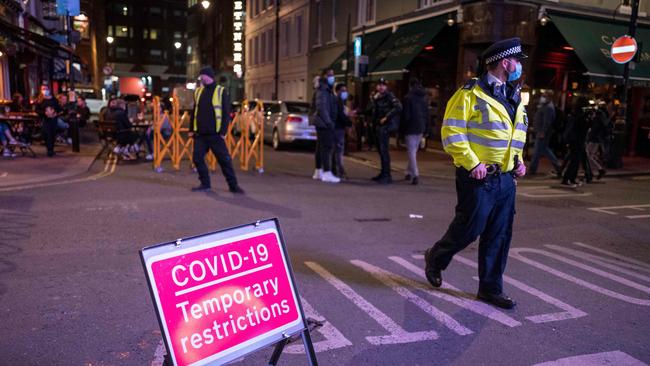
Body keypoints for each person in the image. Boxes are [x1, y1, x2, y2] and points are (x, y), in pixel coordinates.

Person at [423, 38, 529, 309]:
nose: (519, 66)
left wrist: (518, 161)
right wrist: (472, 163)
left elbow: (514, 136)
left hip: (506, 180)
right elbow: (452, 131)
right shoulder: (469, 93)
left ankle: (490, 289)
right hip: (478, 177)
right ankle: (436, 257)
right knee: (469, 229)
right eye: (517, 61)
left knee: (500, 234)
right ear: (505, 62)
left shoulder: (515, 95)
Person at [190, 66, 244, 193]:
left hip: (215, 134)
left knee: (224, 160)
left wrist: (223, 132)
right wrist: (191, 129)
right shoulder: (198, 92)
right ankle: (205, 184)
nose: (201, 78)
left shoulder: (220, 91)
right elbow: (194, 112)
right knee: (197, 159)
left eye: (202, 76)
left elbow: (226, 113)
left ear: (208, 76)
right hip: (200, 134)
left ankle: (233, 186)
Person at [369, 77, 401, 184]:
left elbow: (398, 107)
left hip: (385, 127)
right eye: (379, 85)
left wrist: (386, 117)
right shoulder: (376, 97)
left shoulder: (389, 96)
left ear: (386, 86)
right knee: (381, 151)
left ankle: (387, 175)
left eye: (383, 85)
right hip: (377, 127)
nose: (381, 87)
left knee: (384, 151)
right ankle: (383, 173)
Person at [310, 68, 340, 183]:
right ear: (324, 76)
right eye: (330, 75)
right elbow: (322, 107)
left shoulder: (324, 89)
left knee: (320, 147)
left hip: (322, 122)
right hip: (324, 123)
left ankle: (318, 171)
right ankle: (327, 172)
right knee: (326, 147)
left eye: (333, 74)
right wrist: (329, 122)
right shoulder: (323, 90)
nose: (332, 77)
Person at [401, 77, 428, 185]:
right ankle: (408, 172)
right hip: (421, 126)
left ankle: (415, 174)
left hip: (411, 127)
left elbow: (406, 115)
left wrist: (402, 129)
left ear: (410, 85)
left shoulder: (408, 98)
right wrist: (426, 128)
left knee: (411, 152)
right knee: (413, 151)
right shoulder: (424, 98)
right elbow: (427, 114)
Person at [529, 91, 562, 177]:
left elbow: (547, 122)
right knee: (542, 150)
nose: (542, 97)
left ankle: (533, 169)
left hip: (543, 132)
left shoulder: (549, 107)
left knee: (539, 150)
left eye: (544, 96)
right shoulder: (545, 106)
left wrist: (543, 132)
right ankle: (557, 166)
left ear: (549, 97)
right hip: (541, 131)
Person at [561, 97, 593, 187]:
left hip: (574, 140)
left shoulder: (574, 113)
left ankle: (570, 178)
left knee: (574, 160)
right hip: (577, 140)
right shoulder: (581, 115)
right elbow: (584, 127)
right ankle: (568, 179)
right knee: (575, 161)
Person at [35, 84, 61, 157]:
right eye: (43, 89)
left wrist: (55, 113)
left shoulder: (54, 99)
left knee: (52, 134)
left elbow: (58, 108)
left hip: (53, 119)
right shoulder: (40, 100)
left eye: (45, 89)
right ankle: (49, 148)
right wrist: (44, 113)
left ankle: (50, 150)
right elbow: (37, 110)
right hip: (45, 119)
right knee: (45, 134)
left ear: (49, 90)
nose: (44, 90)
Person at [333, 83, 352, 179]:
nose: (345, 93)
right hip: (338, 128)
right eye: (342, 91)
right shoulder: (338, 101)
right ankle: (340, 171)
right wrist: (349, 123)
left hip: (337, 127)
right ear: (337, 91)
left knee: (336, 150)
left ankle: (336, 170)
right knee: (339, 150)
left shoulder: (339, 101)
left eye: (345, 90)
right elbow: (340, 116)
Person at [586, 102, 609, 180]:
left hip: (594, 139)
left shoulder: (597, 118)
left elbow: (594, 129)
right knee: (590, 155)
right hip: (597, 139)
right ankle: (593, 171)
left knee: (588, 155)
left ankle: (598, 169)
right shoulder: (603, 118)